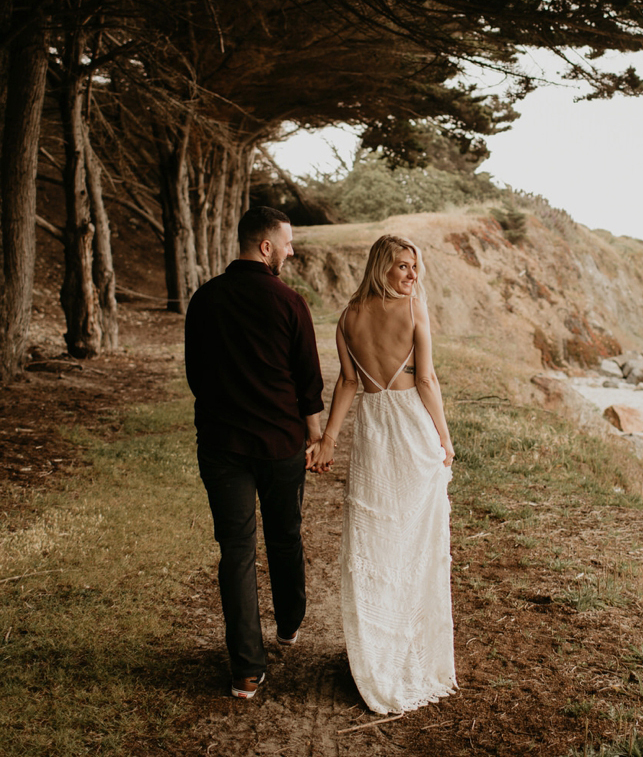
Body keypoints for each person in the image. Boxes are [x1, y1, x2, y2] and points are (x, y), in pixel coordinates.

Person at [308, 234, 456, 717]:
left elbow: (349, 382)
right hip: (410, 426)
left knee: (378, 539)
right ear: (382, 268)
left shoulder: (348, 317)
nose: (412, 276)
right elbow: (428, 379)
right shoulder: (413, 311)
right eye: (402, 267)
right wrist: (445, 437)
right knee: (412, 540)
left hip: (372, 430)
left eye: (415, 267)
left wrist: (330, 438)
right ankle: (403, 650)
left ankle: (377, 655)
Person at [185, 198, 325, 704]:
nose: (290, 251)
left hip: (222, 446)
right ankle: (289, 625)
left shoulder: (204, 299)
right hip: (282, 445)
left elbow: (195, 377)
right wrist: (316, 438)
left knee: (237, 552)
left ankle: (245, 670)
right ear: (266, 247)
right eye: (287, 244)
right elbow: (309, 383)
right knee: (284, 536)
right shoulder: (290, 303)